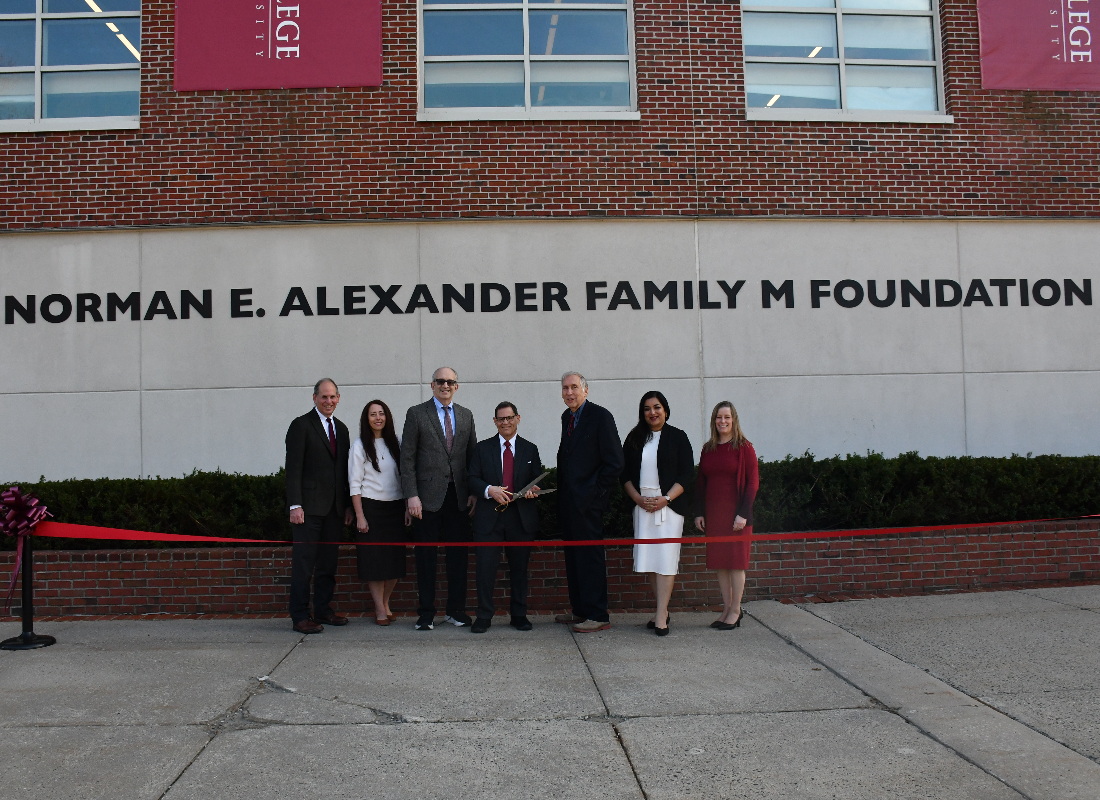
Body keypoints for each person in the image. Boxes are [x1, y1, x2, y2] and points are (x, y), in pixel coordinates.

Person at [400, 367, 477, 631]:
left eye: (450, 382)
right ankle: (426, 613)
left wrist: (473, 494)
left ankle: (456, 611)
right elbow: (407, 458)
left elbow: (471, 458)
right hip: (425, 500)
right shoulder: (416, 413)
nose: (445, 385)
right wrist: (411, 495)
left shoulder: (466, 415)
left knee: (458, 557)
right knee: (426, 558)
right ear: (432, 385)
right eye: (441, 381)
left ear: (457, 386)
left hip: (458, 499)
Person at [621, 391, 695, 637]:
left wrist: (666, 499)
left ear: (665, 409)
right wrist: (638, 499)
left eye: (657, 407)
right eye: (647, 409)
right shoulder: (634, 438)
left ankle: (661, 615)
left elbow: (686, 474)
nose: (652, 412)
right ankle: (661, 608)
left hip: (669, 507)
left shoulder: (678, 437)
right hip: (642, 506)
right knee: (650, 560)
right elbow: (624, 475)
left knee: (665, 560)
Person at [556, 371, 624, 633]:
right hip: (569, 504)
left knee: (590, 558)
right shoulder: (568, 417)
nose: (569, 392)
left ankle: (598, 614)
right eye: (565, 388)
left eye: (574, 387)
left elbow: (614, 462)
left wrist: (595, 495)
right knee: (574, 558)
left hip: (589, 504)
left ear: (586, 390)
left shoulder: (600, 416)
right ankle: (580, 610)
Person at [284, 379, 354, 634]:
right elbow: (293, 469)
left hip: (334, 511)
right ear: (314, 398)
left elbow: (344, 472)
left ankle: (324, 610)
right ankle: (300, 616)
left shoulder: (342, 429)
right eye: (324, 397)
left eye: (333, 397)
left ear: (339, 398)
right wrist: (295, 505)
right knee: (304, 564)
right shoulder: (301, 425)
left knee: (328, 564)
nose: (328, 402)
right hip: (308, 510)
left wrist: (347, 506)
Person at [466, 402, 543, 634]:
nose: (505, 423)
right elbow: (471, 478)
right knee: (485, 569)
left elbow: (537, 479)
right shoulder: (482, 449)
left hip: (520, 519)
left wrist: (534, 490)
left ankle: (519, 615)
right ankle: (484, 615)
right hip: (489, 518)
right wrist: (490, 489)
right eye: (501, 419)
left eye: (509, 418)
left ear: (518, 418)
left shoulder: (530, 449)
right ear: (495, 422)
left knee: (519, 569)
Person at [694, 401, 759, 631]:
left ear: (734, 420)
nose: (723, 421)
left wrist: (743, 513)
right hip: (714, 515)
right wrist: (699, 513)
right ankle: (726, 608)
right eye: (718, 417)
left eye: (727, 417)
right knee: (720, 564)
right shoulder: (708, 448)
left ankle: (736, 610)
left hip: (737, 516)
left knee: (736, 564)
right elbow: (701, 483)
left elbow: (753, 483)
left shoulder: (744, 447)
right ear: (714, 421)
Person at [349, 399, 411, 626]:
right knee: (374, 563)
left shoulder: (398, 443)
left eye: (381, 413)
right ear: (366, 419)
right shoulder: (359, 446)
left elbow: (404, 479)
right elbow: (354, 483)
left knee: (394, 561)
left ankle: (386, 603)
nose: (378, 418)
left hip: (394, 508)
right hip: (370, 508)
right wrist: (360, 516)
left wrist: (406, 507)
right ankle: (379, 609)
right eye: (373, 414)